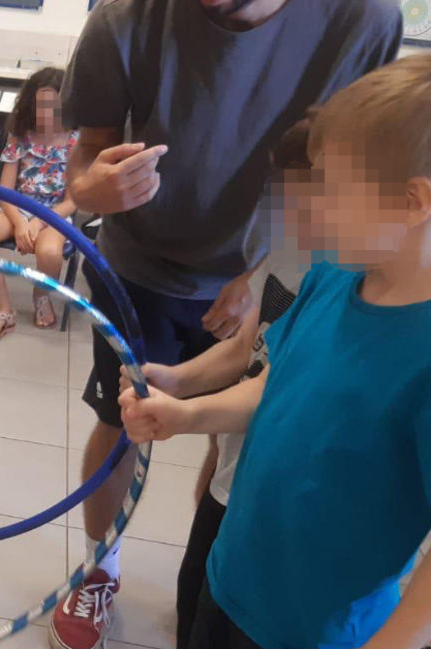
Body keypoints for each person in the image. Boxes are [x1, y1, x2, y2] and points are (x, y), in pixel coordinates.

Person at [50, 0, 402, 646]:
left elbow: (349, 170)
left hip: (281, 266)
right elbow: (85, 159)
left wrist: (270, 268)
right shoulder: (124, 17)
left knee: (236, 452)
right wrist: (91, 190)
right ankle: (103, 568)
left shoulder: (365, 20)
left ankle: (211, 574)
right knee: (121, 424)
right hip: (140, 270)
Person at [119, 54, 431, 649]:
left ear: (412, 203)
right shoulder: (332, 276)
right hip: (232, 573)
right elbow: (274, 382)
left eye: (333, 190)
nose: (311, 209)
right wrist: (186, 414)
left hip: (314, 632)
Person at [118, 112, 317, 649]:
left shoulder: (340, 283)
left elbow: (284, 384)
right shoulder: (290, 253)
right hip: (235, 475)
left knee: (237, 625)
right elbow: (245, 349)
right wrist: (177, 380)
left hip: (284, 496)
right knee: (196, 599)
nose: (282, 206)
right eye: (281, 190)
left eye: (304, 194)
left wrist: (186, 416)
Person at [0, 67, 77, 335]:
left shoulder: (76, 141)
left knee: (50, 252)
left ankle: (41, 295)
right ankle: (4, 307)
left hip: (56, 212)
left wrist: (40, 222)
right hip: (17, 206)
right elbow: (5, 190)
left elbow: (73, 200)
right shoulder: (20, 135)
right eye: (40, 105)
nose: (46, 113)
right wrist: (20, 223)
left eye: (53, 106)